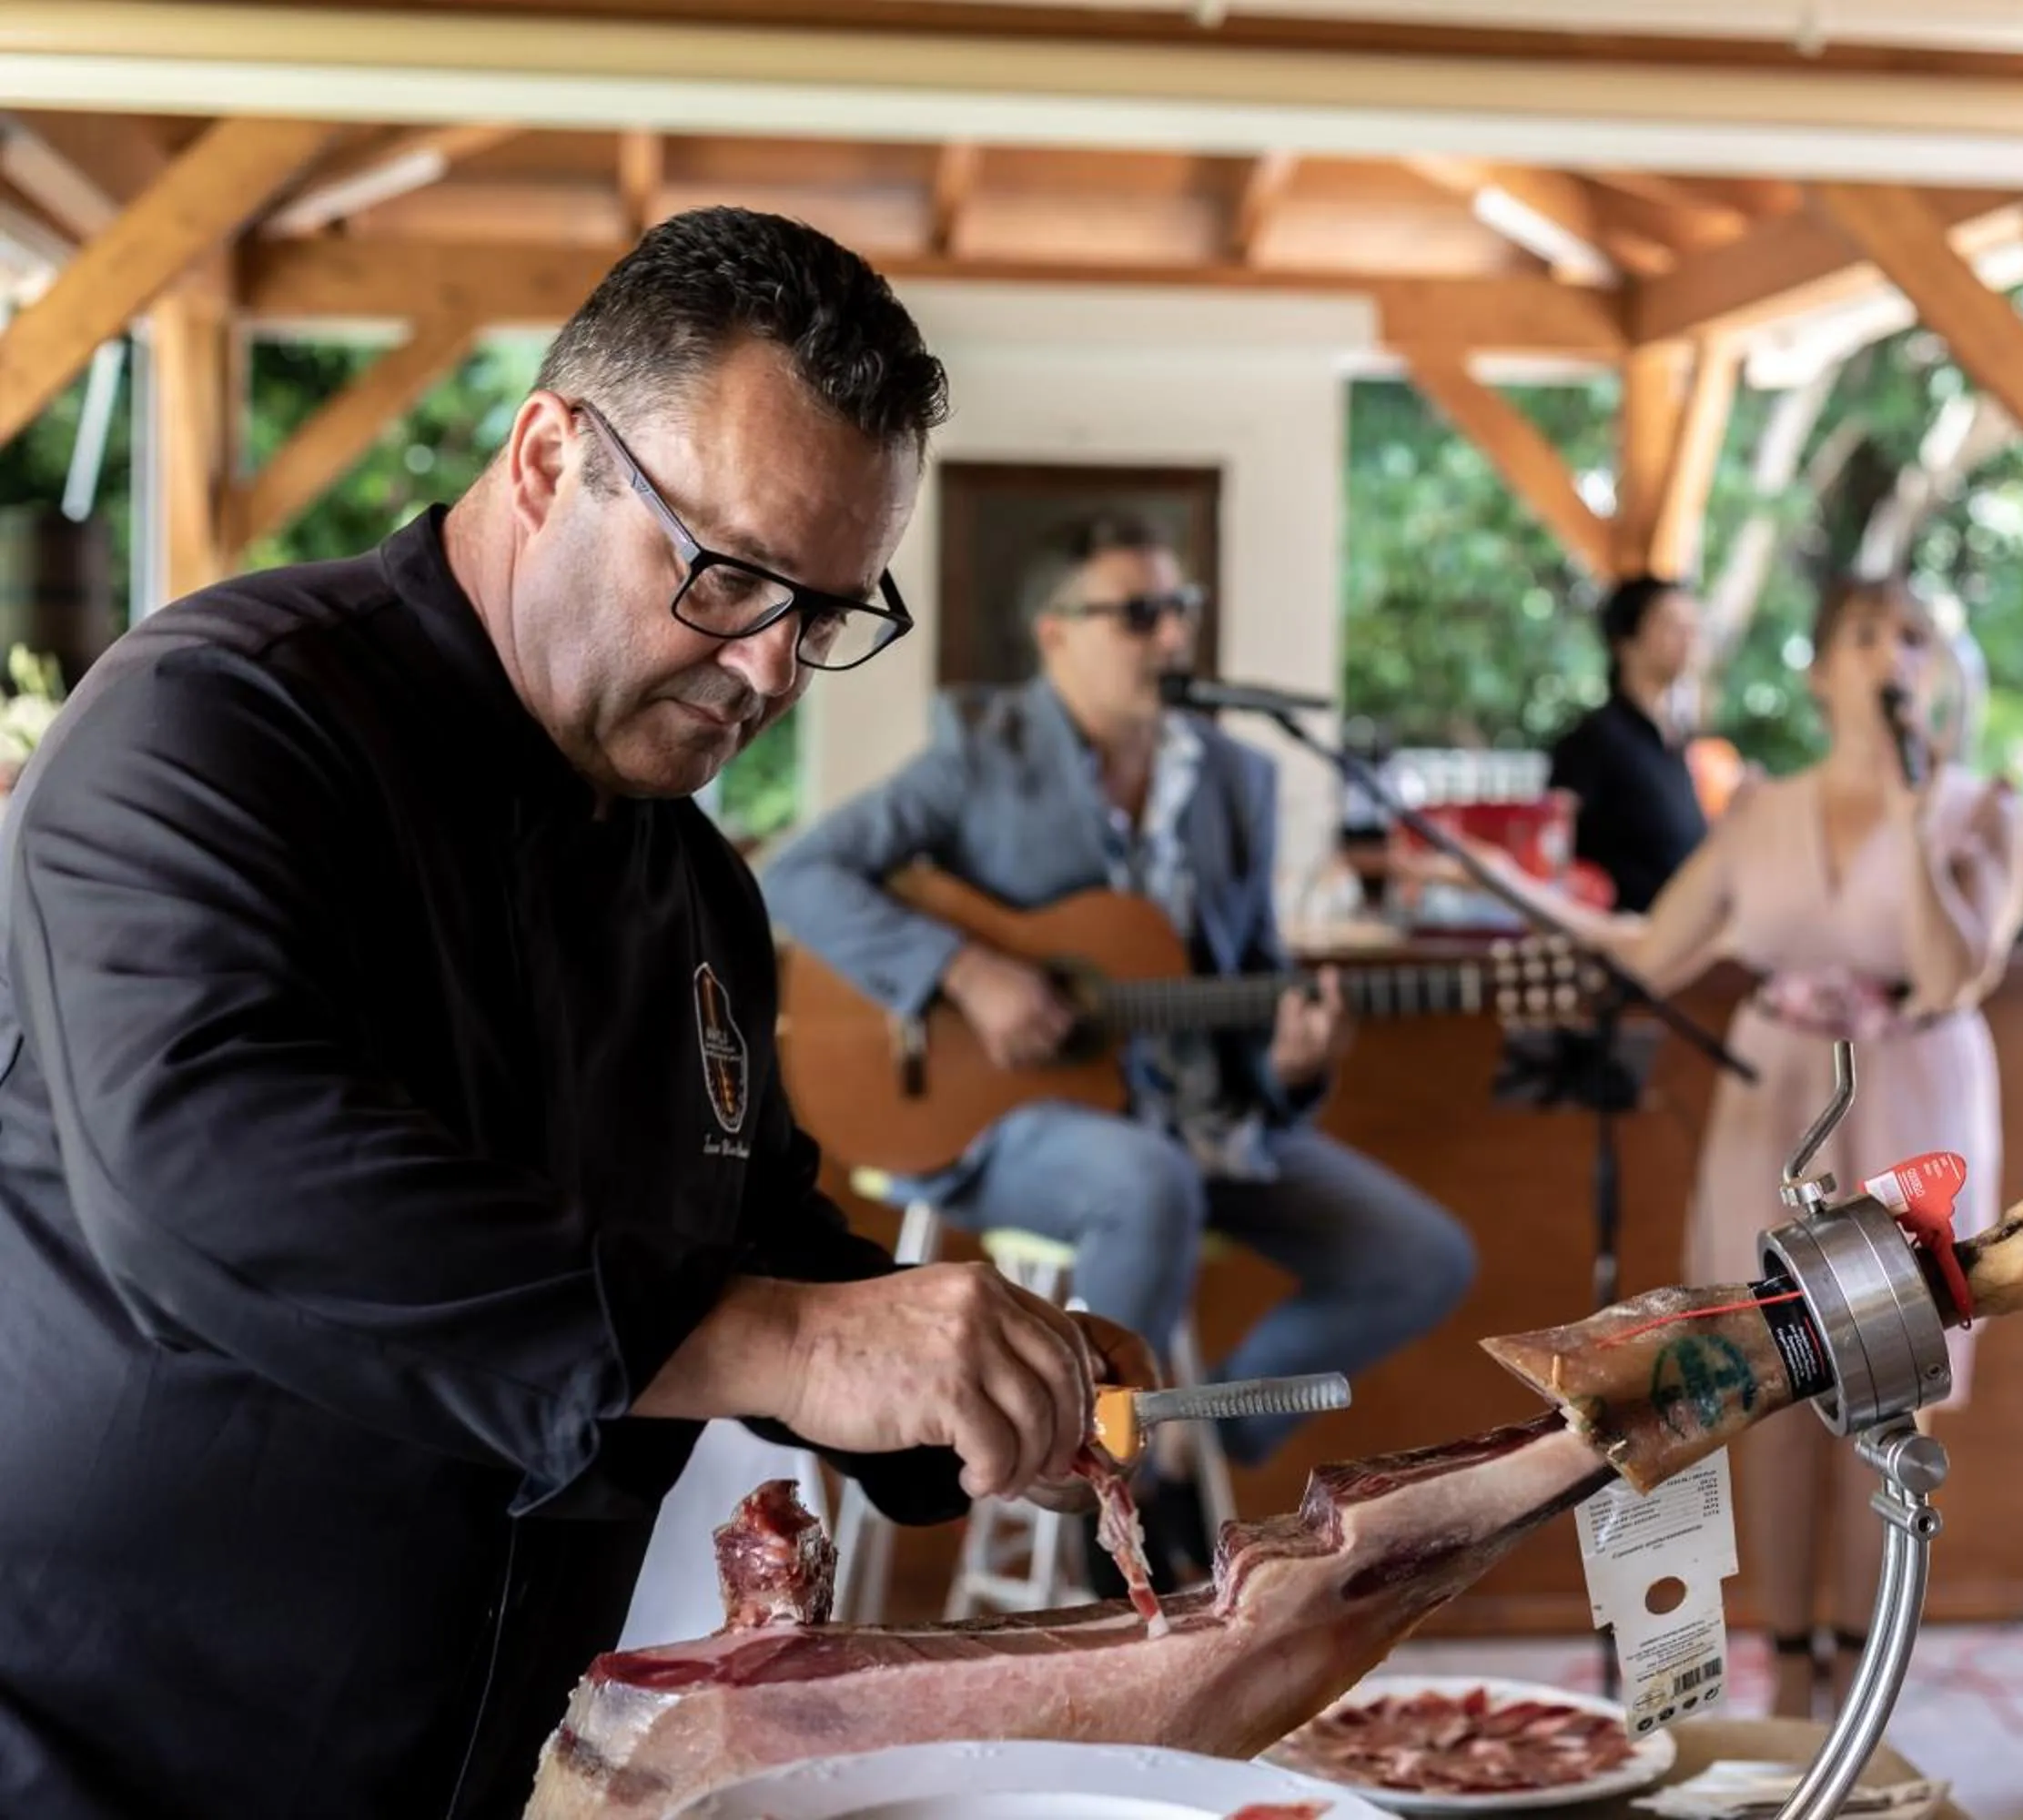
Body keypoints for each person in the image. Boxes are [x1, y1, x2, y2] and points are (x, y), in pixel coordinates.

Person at [0, 207, 1155, 1820]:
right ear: (551, 459)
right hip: (111, 1750)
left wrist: (962, 1378)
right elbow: (207, 1168)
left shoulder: (697, 888)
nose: (773, 675)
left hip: (492, 1766)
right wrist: (792, 1342)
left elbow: (743, 1239)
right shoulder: (219, 721)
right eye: (731, 578)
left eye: (827, 615)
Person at [761, 513, 1478, 1575]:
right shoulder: (982, 754)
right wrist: (965, 970)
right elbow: (797, 873)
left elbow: (1250, 974)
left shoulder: (1235, 779)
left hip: (1201, 1126)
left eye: (1180, 608)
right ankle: (1105, 1496)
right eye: (1139, 613)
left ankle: (1178, 1443)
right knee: (1147, 1181)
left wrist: (1290, 1065)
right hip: (1015, 1121)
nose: (1172, 635)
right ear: (1056, 631)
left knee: (1418, 1254)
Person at [1466, 573, 2023, 1717]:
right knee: (1771, 1373)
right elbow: (1649, 949)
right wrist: (1496, 878)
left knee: (1890, 1386)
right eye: (1864, 634)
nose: (1891, 656)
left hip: (1913, 1096)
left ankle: (1867, 1667)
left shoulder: (1980, 812)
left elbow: (1954, 972)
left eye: (1913, 637)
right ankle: (1789, 1665)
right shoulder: (1760, 809)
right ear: (1818, 671)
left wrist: (1912, 816)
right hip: (1773, 1098)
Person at [1545, 574, 1711, 915]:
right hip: (1617, 933)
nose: (1688, 638)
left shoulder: (1673, 739)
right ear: (1625, 640)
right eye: (1671, 625)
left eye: (1692, 627)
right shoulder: (1594, 738)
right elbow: (1551, 844)